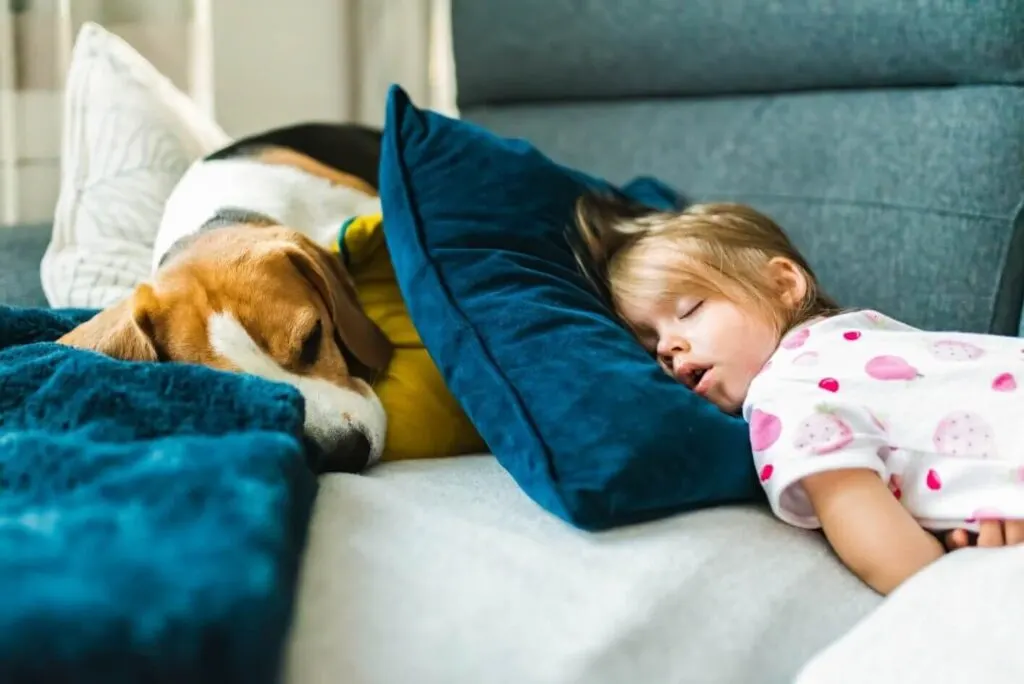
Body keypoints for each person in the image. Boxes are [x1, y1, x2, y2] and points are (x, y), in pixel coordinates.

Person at [571, 191, 1024, 595]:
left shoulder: (785, 392)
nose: (669, 348)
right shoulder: (856, 335)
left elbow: (892, 555)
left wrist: (950, 584)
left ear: (782, 284)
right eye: (652, 348)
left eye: (689, 309)